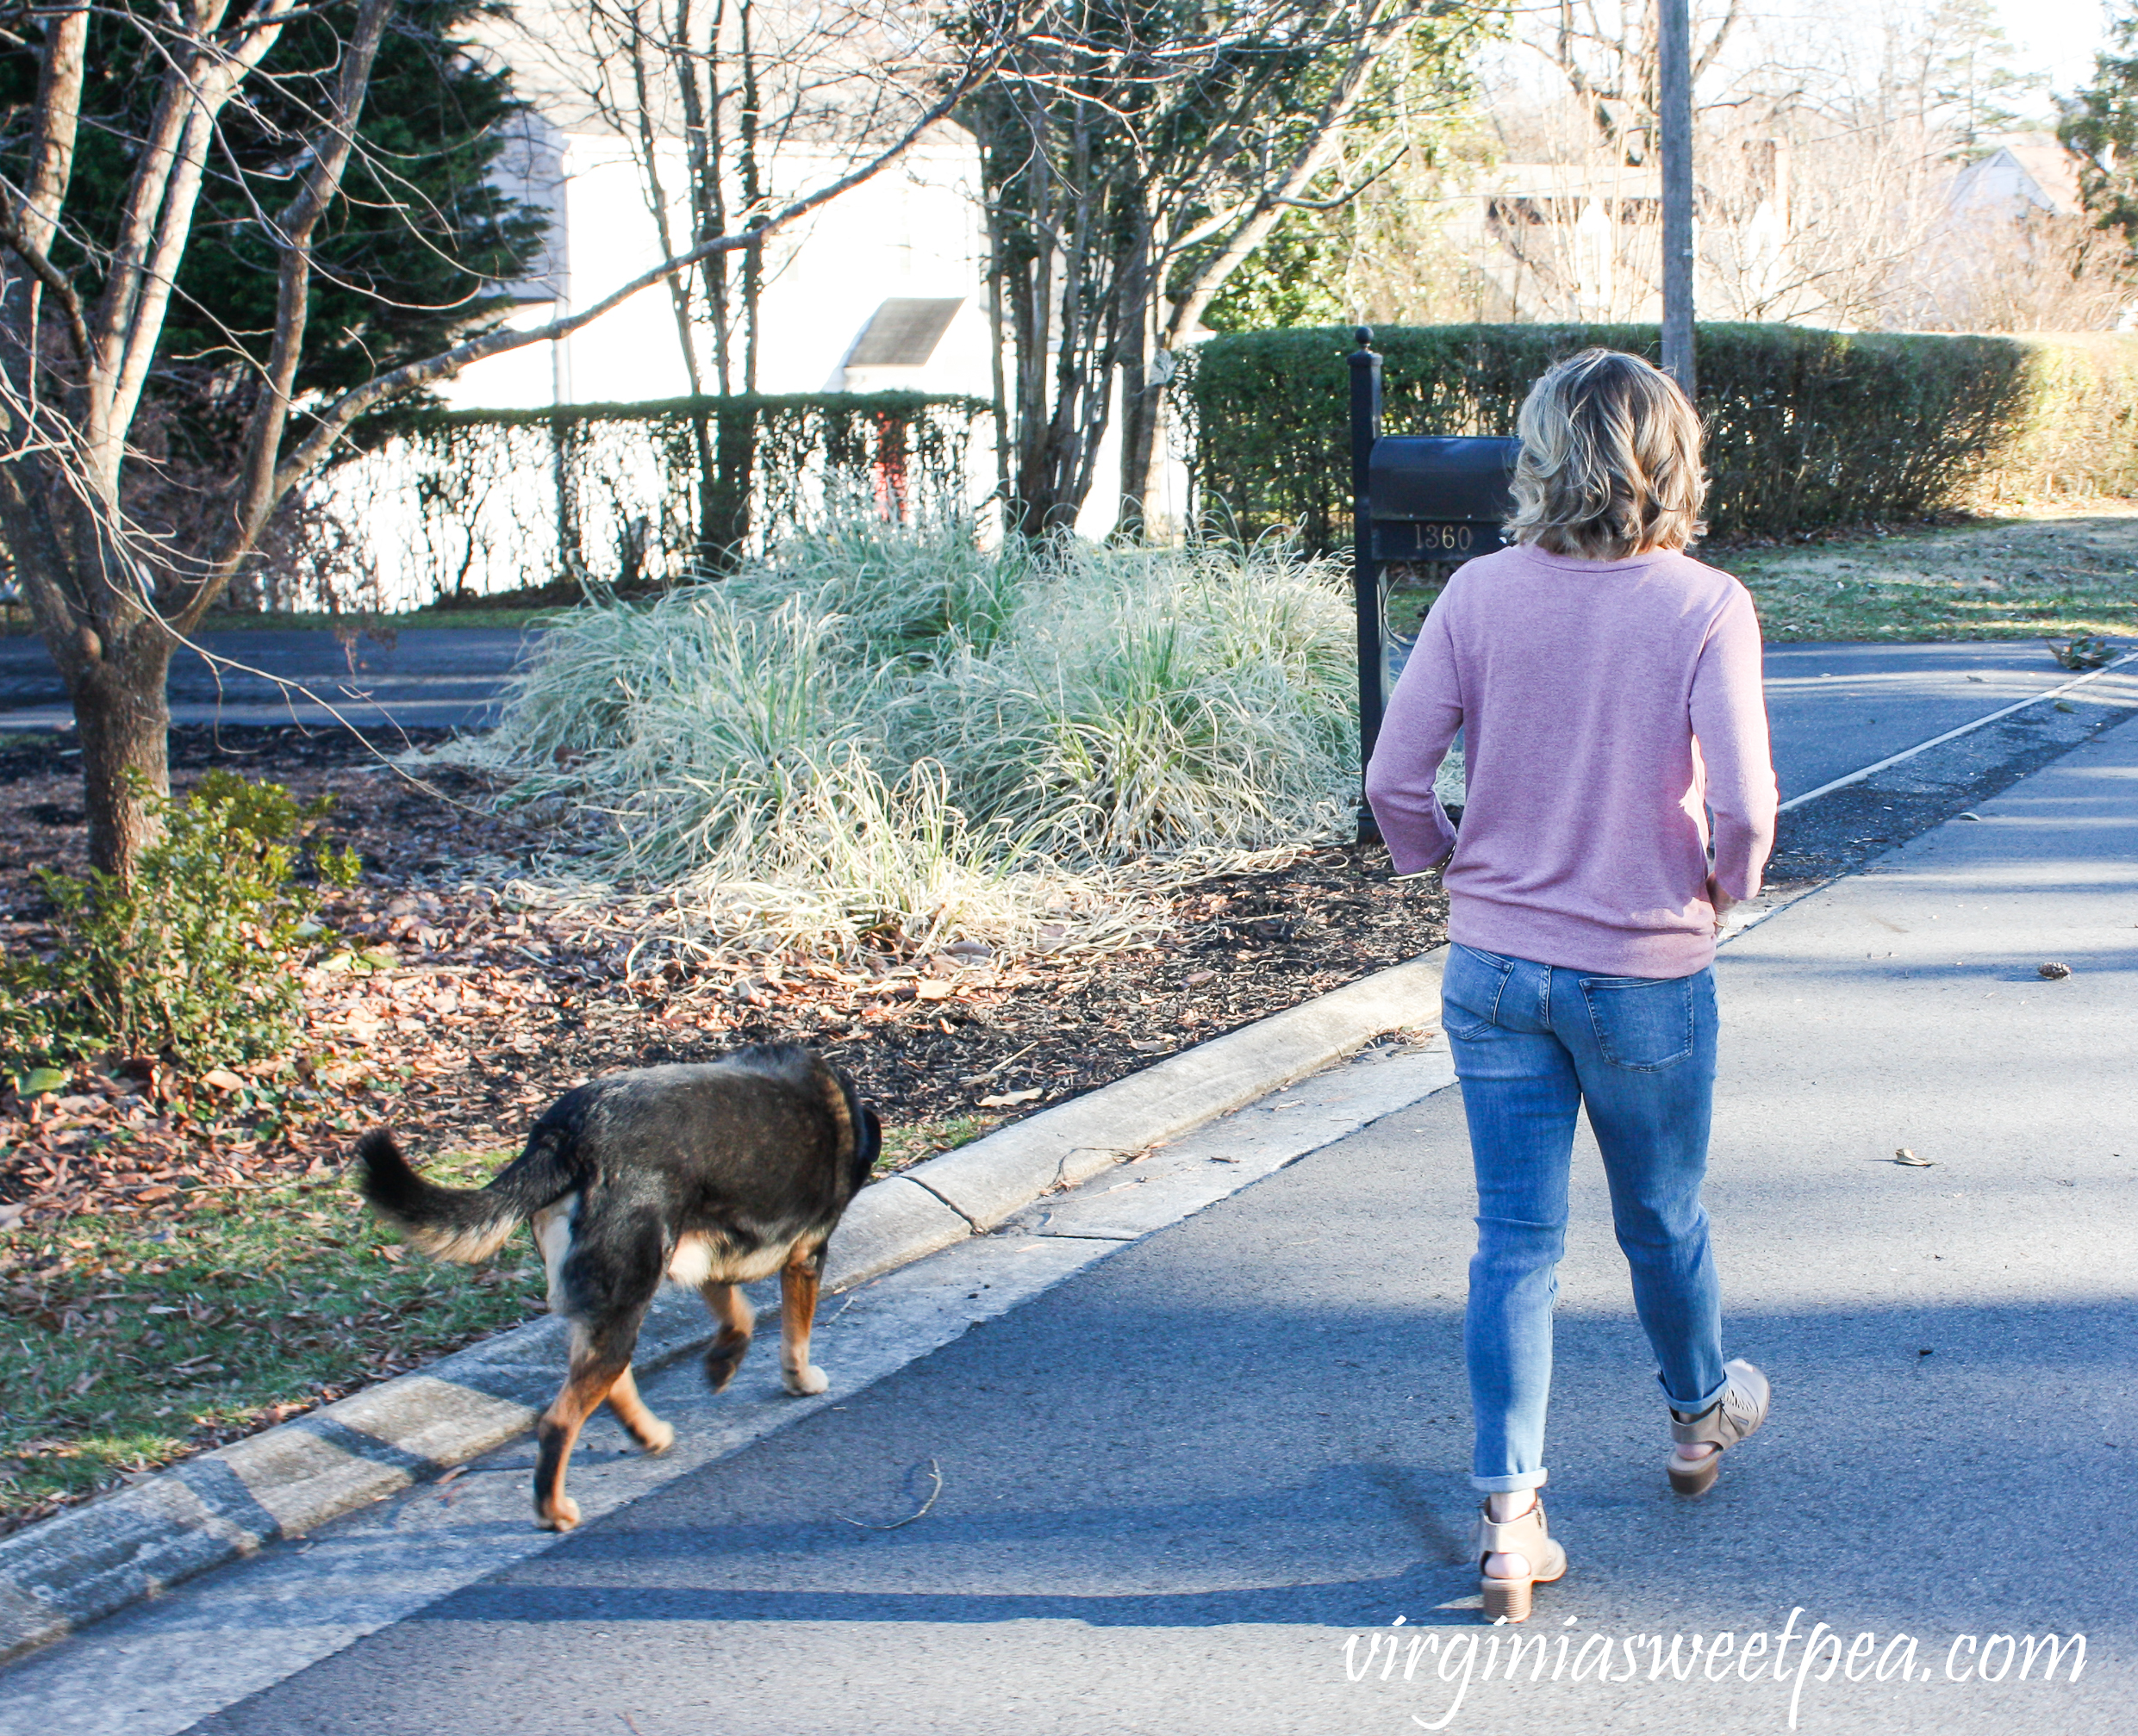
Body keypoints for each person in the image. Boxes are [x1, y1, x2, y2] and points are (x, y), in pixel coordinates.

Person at [1363, 348, 1780, 1625]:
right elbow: (1749, 808)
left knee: (1514, 1244)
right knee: (1660, 1219)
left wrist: (1450, 870)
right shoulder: (1705, 603)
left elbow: (1393, 782)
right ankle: (1697, 1420)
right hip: (1641, 969)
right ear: (1670, 458)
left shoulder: (1477, 594)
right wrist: (1718, 888)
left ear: (1540, 454)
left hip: (1492, 969)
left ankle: (1509, 1523)